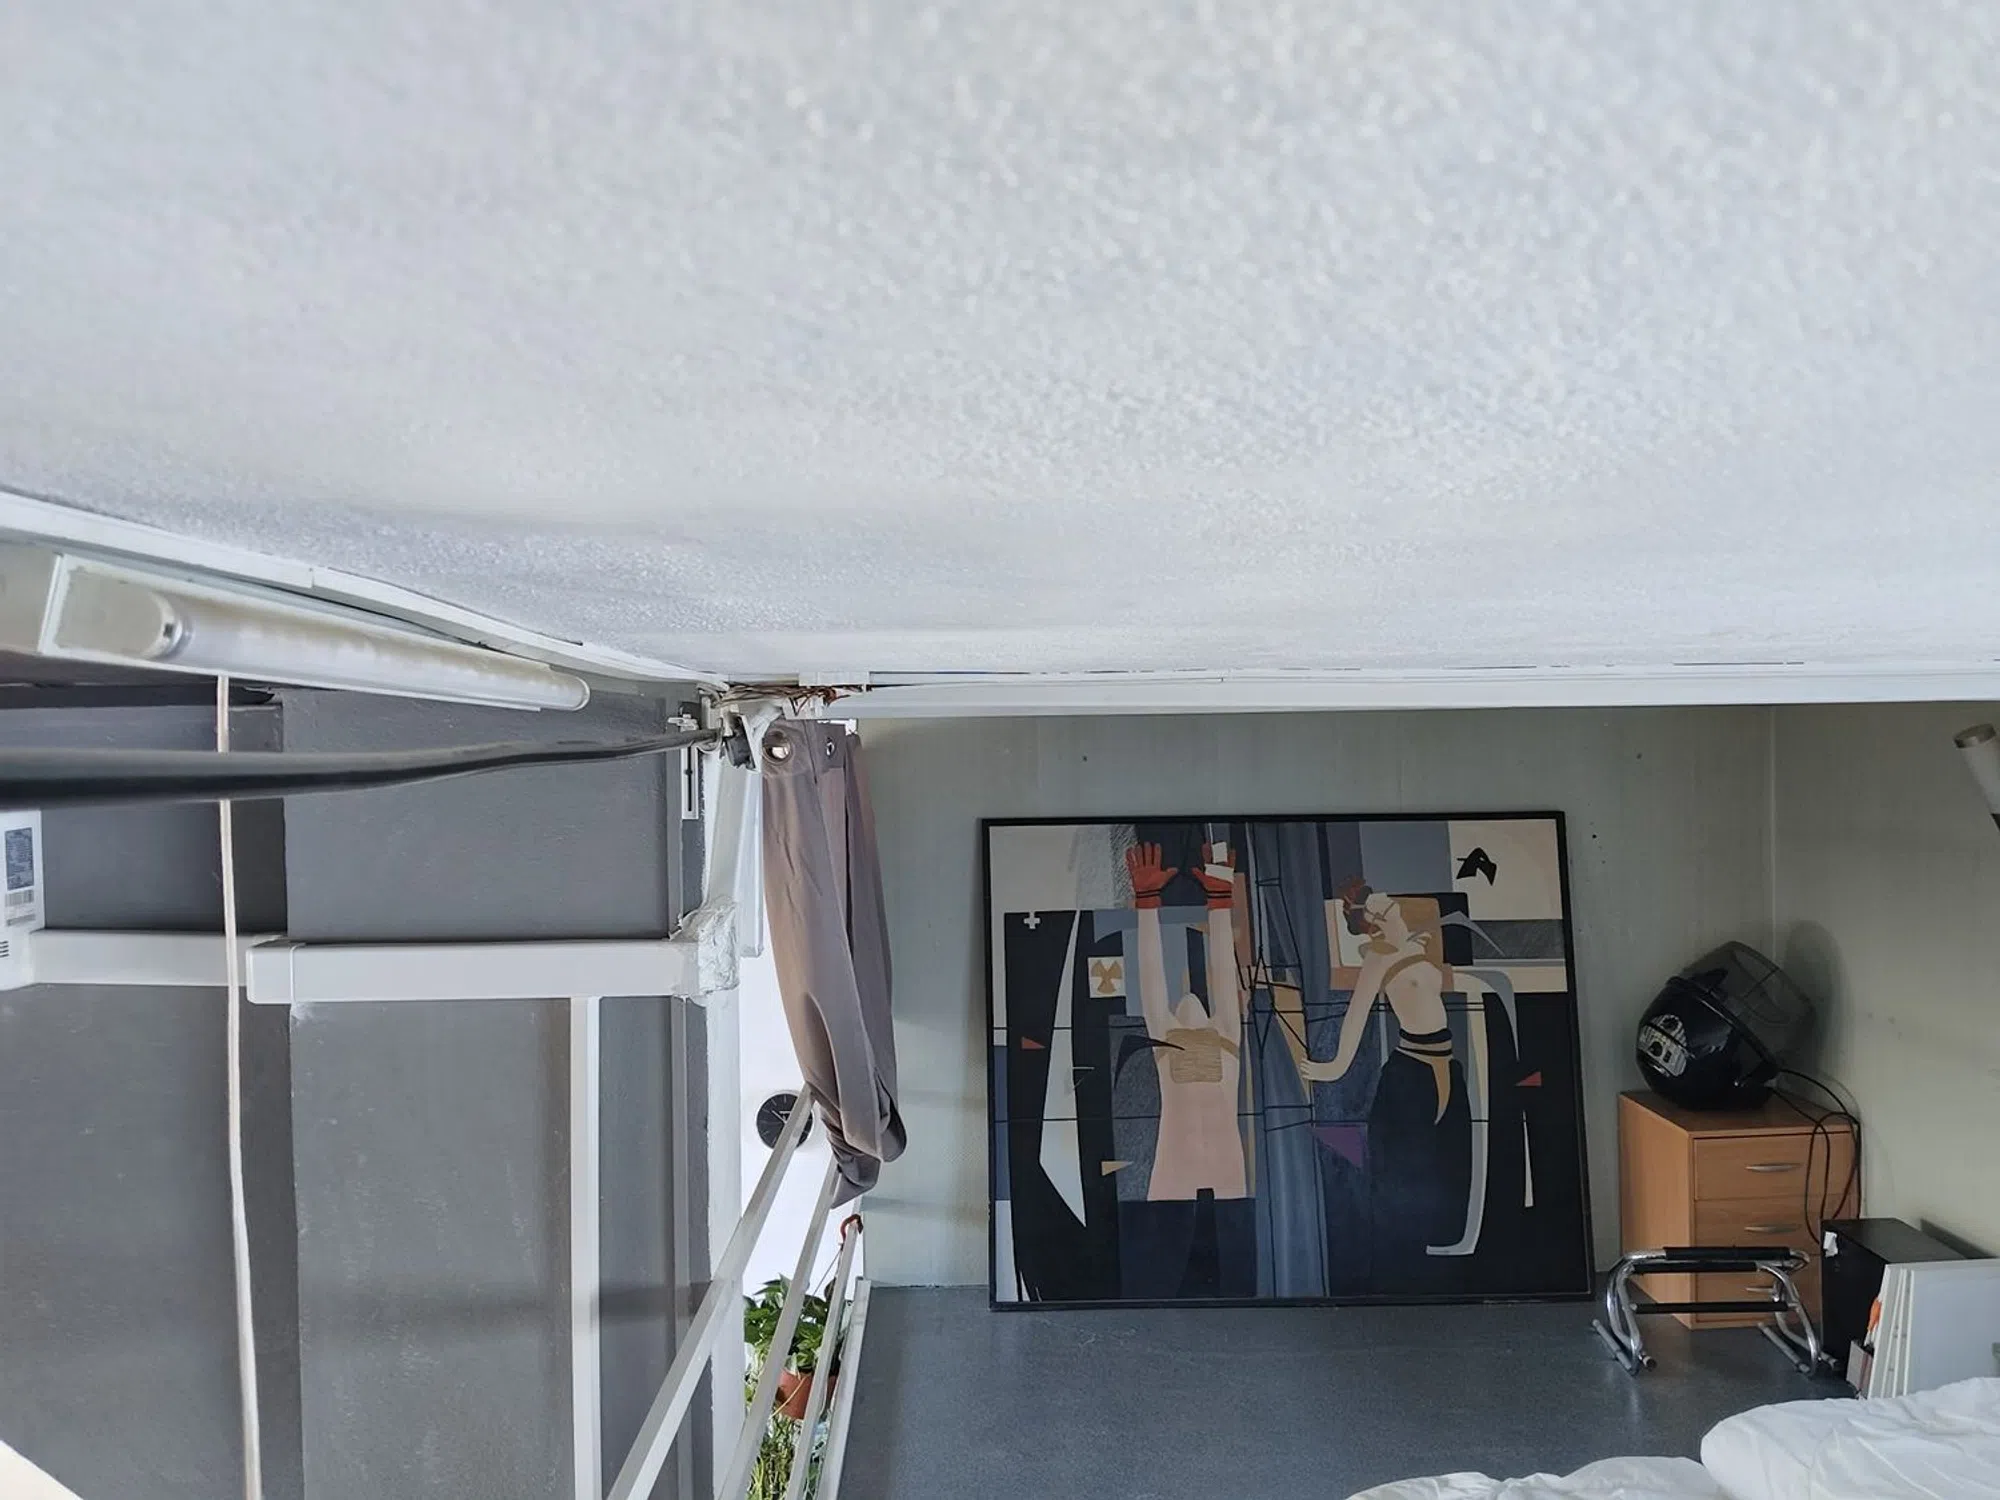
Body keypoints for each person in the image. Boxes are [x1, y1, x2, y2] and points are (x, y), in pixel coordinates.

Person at [1311, 883, 1472, 1282]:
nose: (1389, 910)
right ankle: (1398, 1276)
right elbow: (1357, 1014)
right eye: (1379, 911)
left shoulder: (1419, 945)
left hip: (1446, 1068)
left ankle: (1437, 1275)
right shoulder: (1379, 958)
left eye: (1389, 906)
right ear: (1372, 924)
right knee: (1403, 1180)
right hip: (1409, 1075)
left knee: (1447, 1170)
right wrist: (1335, 1066)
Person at [1121, 841, 1254, 1296]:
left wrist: (1220, 903)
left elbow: (1223, 973)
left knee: (1234, 1281)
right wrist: (1146, 904)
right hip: (1175, 1167)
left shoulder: (1227, 1033)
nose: (1189, 997)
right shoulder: (1165, 1035)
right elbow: (1151, 978)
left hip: (1223, 1168)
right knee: (1159, 1278)